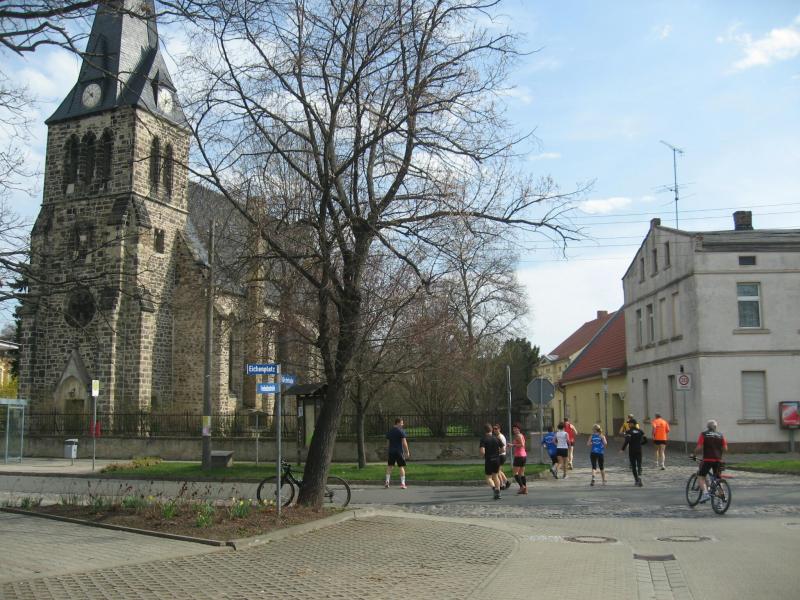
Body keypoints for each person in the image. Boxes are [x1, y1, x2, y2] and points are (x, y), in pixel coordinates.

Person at [693, 419, 728, 503]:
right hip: (718, 460)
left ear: (707, 427)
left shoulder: (704, 434)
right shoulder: (720, 435)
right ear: (716, 427)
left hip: (707, 459)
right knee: (718, 479)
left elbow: (699, 447)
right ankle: (722, 495)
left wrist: (693, 454)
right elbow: (725, 448)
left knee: (701, 476)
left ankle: (705, 494)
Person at [480, 423, 504, 499]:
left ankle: (494, 489)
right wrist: (497, 452)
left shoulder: (483, 439)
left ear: (484, 431)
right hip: (497, 460)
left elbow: (482, 451)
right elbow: (503, 449)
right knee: (496, 476)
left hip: (489, 460)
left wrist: (482, 455)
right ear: (491, 430)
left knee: (488, 478)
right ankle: (498, 493)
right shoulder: (496, 438)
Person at [385, 418, 410, 489]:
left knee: (389, 466)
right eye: (401, 423)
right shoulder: (401, 431)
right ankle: (403, 484)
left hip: (391, 452)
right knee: (401, 467)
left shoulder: (390, 431)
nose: (402, 424)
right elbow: (404, 442)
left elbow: (387, 443)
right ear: (398, 423)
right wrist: (407, 451)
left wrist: (388, 451)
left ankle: (387, 482)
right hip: (399, 452)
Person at [621, 418, 646, 486]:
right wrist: (640, 444)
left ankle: (636, 480)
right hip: (639, 450)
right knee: (639, 464)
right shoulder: (641, 431)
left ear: (632, 424)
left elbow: (627, 441)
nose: (628, 424)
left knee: (633, 466)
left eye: (629, 423)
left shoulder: (628, 432)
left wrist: (622, 449)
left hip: (632, 450)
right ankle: (639, 476)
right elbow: (645, 441)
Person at [510, 423, 528, 494]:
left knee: (515, 473)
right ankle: (525, 489)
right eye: (513, 428)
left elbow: (522, 444)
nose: (514, 430)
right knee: (521, 473)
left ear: (519, 429)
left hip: (519, 456)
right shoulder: (521, 435)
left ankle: (522, 487)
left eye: (516, 428)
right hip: (523, 455)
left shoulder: (518, 436)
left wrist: (512, 445)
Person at [493, 424, 511, 490]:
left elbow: (502, 448)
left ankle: (502, 484)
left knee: (497, 471)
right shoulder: (499, 436)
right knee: (499, 470)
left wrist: (495, 453)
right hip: (501, 455)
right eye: (494, 429)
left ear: (499, 429)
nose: (495, 430)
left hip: (501, 455)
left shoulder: (500, 437)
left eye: (496, 429)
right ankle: (506, 482)